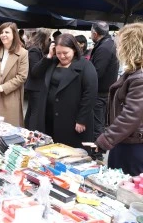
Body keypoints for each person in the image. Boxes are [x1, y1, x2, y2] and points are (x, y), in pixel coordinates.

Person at [32, 34, 98, 148]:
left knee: (68, 150)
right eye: (58, 53)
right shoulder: (52, 62)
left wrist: (82, 119)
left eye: (65, 53)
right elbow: (35, 73)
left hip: (71, 118)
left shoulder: (85, 65)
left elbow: (90, 93)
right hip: (49, 115)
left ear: (74, 50)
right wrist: (49, 56)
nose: (62, 56)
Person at [94, 23, 143, 176]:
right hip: (127, 140)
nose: (118, 48)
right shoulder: (134, 73)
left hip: (133, 144)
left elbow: (131, 115)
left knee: (127, 188)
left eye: (121, 43)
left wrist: (105, 140)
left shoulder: (139, 77)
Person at [90, 22, 119, 141]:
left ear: (95, 34)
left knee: (97, 124)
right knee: (99, 123)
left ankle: (98, 152)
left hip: (100, 92)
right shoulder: (108, 44)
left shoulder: (104, 48)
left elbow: (97, 72)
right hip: (105, 90)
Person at [24, 28, 51, 130]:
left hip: (34, 86)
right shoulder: (34, 50)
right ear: (44, 38)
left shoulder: (35, 49)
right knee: (35, 112)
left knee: (31, 111)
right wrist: (47, 59)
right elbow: (35, 71)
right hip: (35, 86)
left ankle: (28, 131)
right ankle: (32, 133)